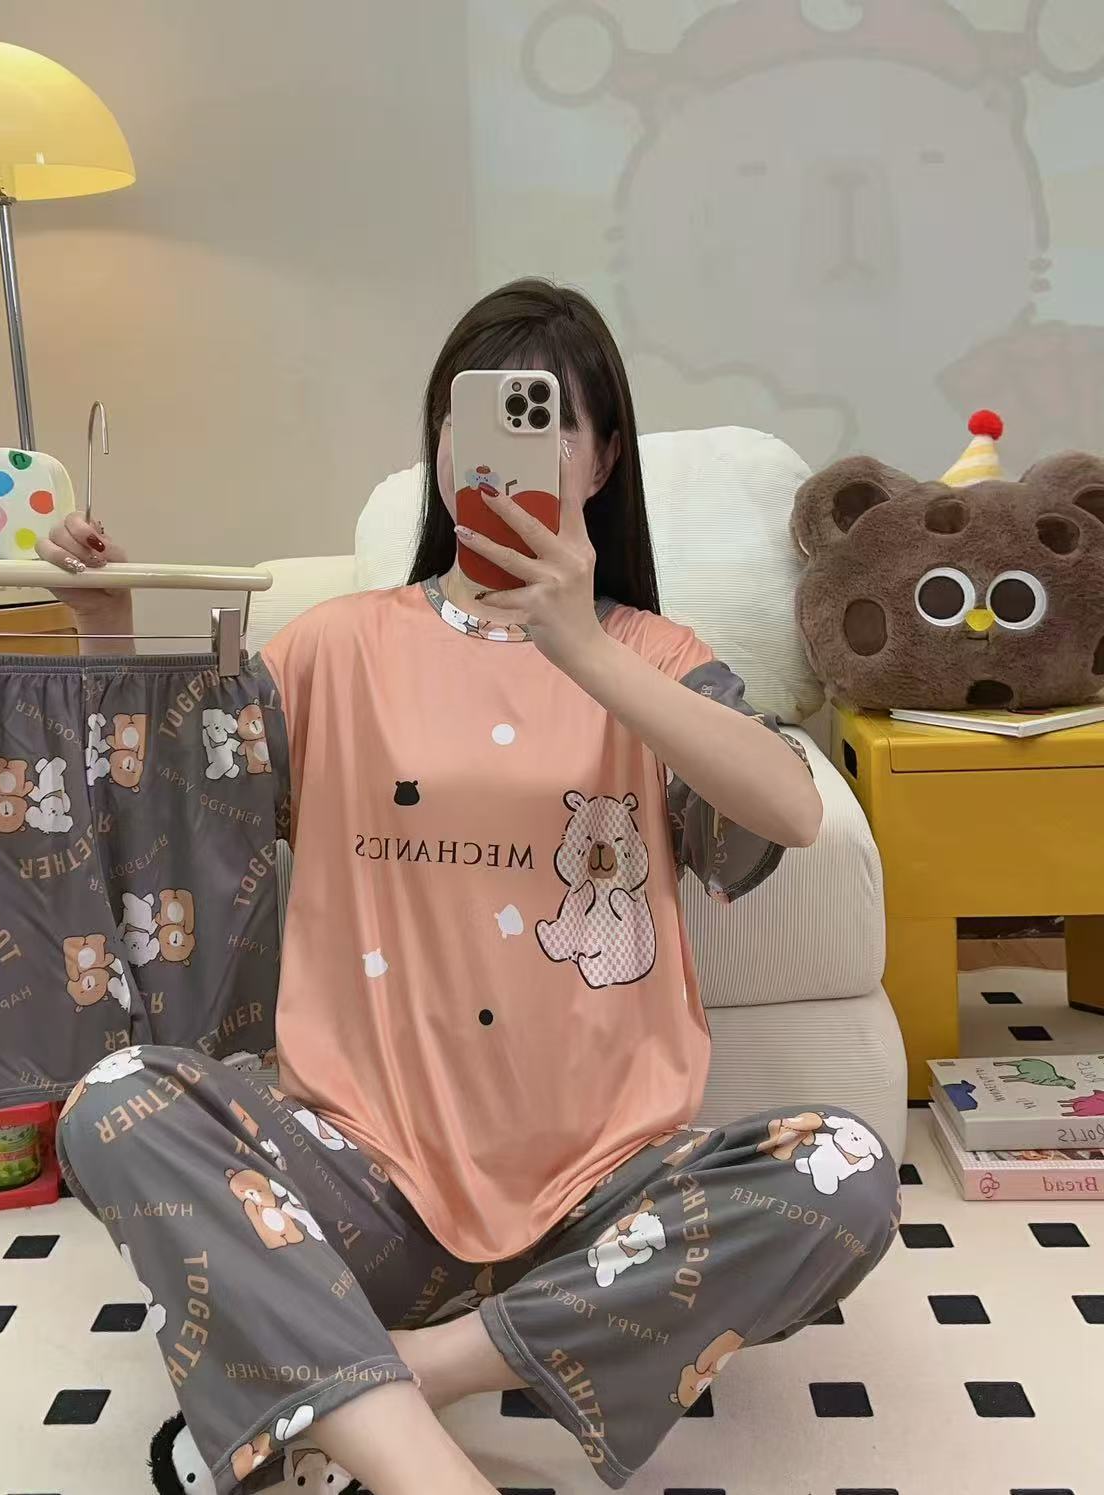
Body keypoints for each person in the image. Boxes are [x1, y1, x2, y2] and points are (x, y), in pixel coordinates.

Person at [47, 280, 898, 1495]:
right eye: (471, 418)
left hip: (599, 1208)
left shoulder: (655, 658)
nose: (499, 449)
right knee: (114, 1101)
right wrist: (104, 628)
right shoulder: (334, 644)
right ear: (438, 444)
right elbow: (176, 823)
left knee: (847, 1168)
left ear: (602, 457)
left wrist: (580, 645)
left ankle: (388, 1379)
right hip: (358, 1182)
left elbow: (787, 809)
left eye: (546, 419)